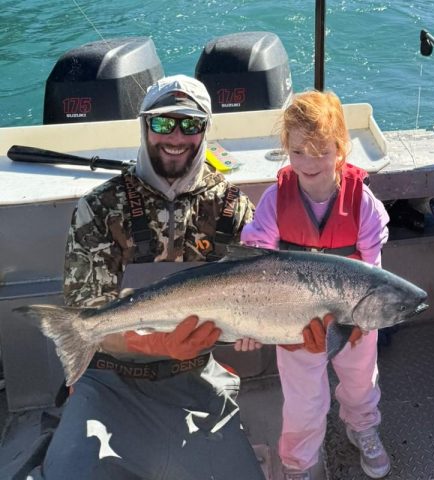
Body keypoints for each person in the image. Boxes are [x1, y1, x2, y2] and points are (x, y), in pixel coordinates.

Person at [32, 74, 265, 480]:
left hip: (195, 378)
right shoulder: (100, 208)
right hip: (108, 381)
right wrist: (158, 341)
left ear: (205, 129)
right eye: (162, 123)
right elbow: (83, 318)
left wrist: (290, 336)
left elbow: (265, 293)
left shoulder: (234, 208)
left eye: (190, 124)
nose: (175, 136)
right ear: (143, 125)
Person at [240, 90, 391, 479]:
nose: (309, 162)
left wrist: (359, 321)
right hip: (295, 326)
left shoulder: (365, 204)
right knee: (303, 404)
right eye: (298, 151)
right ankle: (299, 463)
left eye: (321, 150)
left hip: (353, 323)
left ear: (341, 149)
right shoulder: (275, 200)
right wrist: (249, 322)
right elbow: (256, 264)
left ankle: (363, 428)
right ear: (286, 150)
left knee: (360, 384)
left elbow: (372, 273)